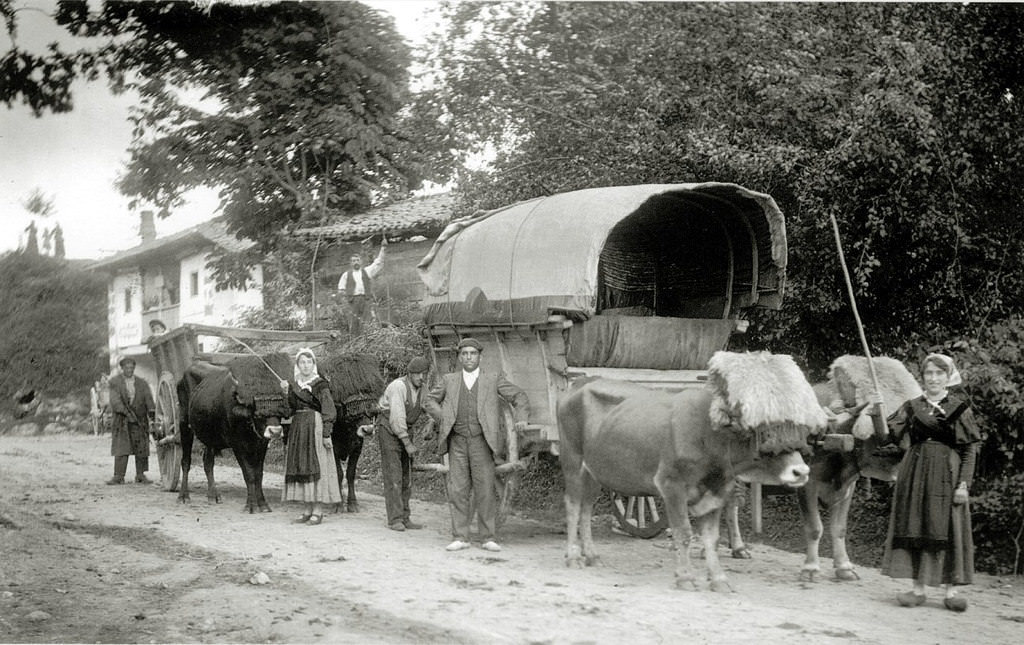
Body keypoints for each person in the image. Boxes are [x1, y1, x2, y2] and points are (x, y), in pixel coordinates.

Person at [877, 353, 981, 612]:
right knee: (915, 523)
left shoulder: (959, 408)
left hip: (948, 475)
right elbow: (886, 439)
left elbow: (969, 451)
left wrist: (963, 485)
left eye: (939, 374)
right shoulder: (911, 407)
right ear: (922, 377)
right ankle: (917, 590)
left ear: (948, 377)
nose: (933, 379)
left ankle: (951, 592)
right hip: (914, 474)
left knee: (948, 527)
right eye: (928, 374)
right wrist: (876, 413)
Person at [424, 337, 529, 552]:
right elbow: (428, 401)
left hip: (483, 442)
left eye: (473, 353)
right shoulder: (449, 380)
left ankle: (487, 537)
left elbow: (518, 395)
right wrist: (443, 417)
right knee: (459, 490)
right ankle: (460, 537)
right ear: (460, 357)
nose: (469, 357)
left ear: (480, 357)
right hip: (457, 442)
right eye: (465, 354)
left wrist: (521, 417)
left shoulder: (492, 379)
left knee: (485, 490)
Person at [278, 348, 341, 525]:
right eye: (302, 362)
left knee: (317, 464)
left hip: (315, 425)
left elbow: (329, 409)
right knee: (302, 465)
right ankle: (307, 509)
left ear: (313, 364)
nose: (305, 366)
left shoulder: (320, 384)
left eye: (309, 362)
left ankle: (318, 510)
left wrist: (327, 433)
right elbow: (288, 410)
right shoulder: (294, 384)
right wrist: (286, 393)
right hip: (298, 425)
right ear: (298, 365)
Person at [378, 356, 431, 532]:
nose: (421, 377)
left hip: (406, 429)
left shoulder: (423, 388)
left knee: (406, 477)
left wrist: (431, 422)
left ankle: (405, 517)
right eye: (417, 374)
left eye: (423, 374)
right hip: (389, 430)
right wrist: (407, 443)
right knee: (394, 476)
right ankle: (395, 519)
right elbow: (397, 418)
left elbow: (429, 406)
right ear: (409, 374)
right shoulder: (398, 387)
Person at [106, 357, 155, 484]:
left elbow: (148, 399)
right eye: (127, 368)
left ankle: (140, 474)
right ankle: (119, 476)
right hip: (122, 421)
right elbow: (115, 401)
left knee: (141, 447)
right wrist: (127, 414)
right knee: (122, 447)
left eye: (132, 368)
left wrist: (152, 413)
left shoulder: (142, 383)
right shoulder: (115, 382)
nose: (129, 370)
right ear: (122, 368)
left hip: (140, 420)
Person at [337, 235, 387, 335]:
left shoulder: (367, 271)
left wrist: (383, 248)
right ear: (350, 263)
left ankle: (366, 344)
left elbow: (378, 262)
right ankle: (354, 344)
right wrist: (346, 302)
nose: (356, 262)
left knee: (367, 323)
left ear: (361, 261)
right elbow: (341, 290)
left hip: (366, 300)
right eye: (353, 260)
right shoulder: (346, 275)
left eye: (357, 260)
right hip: (353, 302)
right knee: (353, 323)